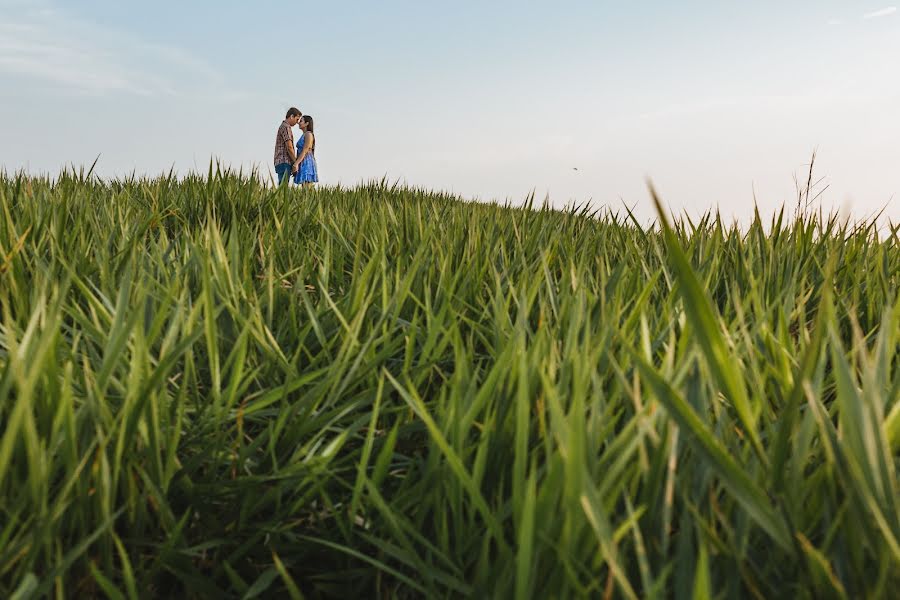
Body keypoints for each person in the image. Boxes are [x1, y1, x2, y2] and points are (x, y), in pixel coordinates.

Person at [274, 107, 302, 185]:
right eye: (297, 119)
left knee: (282, 185)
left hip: (281, 161)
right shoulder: (286, 127)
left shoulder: (284, 126)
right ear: (291, 116)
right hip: (284, 161)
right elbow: (289, 147)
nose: (297, 122)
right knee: (283, 188)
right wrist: (295, 163)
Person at [293, 115, 318, 187]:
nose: (298, 123)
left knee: (306, 187)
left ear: (307, 123)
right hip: (302, 161)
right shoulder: (304, 134)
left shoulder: (308, 134)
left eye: (301, 121)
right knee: (304, 187)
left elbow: (305, 150)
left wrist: (296, 164)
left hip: (307, 162)